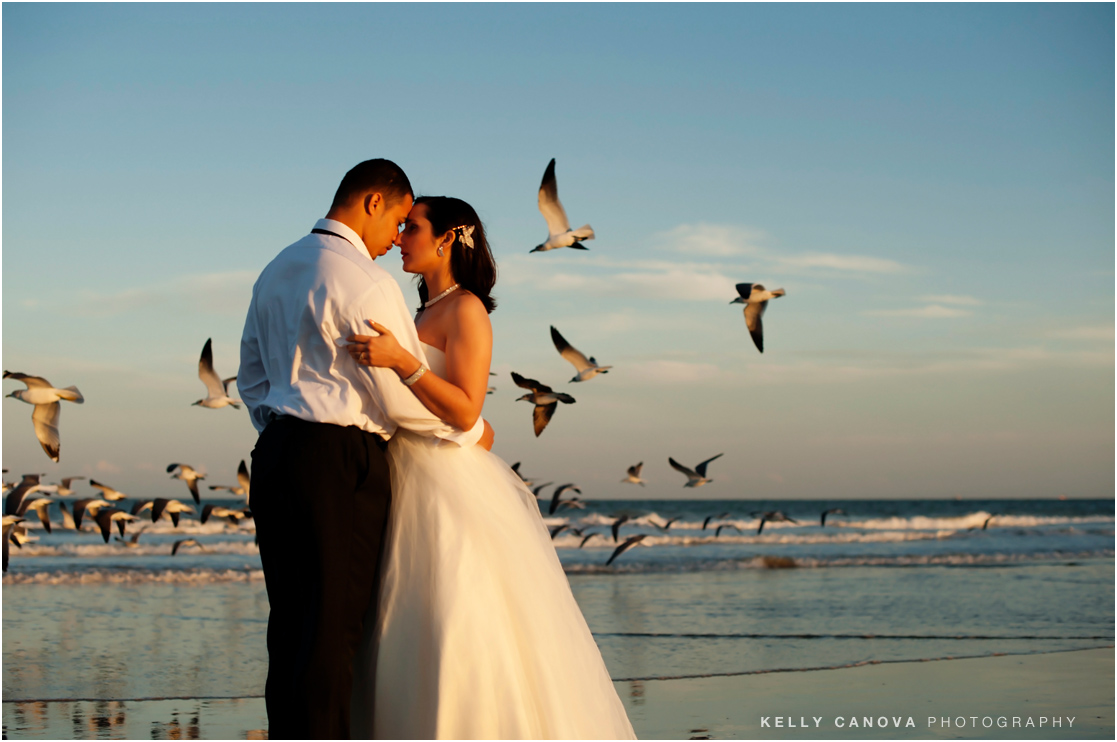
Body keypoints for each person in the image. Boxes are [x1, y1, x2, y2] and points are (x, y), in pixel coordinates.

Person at [345, 196, 636, 739]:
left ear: (449, 238)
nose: (401, 236)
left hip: (443, 481)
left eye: (412, 227)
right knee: (404, 626)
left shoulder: (467, 309)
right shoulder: (420, 312)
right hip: (402, 472)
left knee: (453, 617)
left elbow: (465, 408)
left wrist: (403, 362)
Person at [238, 160, 493, 739]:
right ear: (373, 204)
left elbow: (250, 380)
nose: (394, 241)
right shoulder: (365, 281)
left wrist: (284, 427)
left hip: (277, 456)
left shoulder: (276, 269)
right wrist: (469, 432)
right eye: (398, 220)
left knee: (290, 626)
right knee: (333, 629)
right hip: (339, 459)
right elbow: (398, 401)